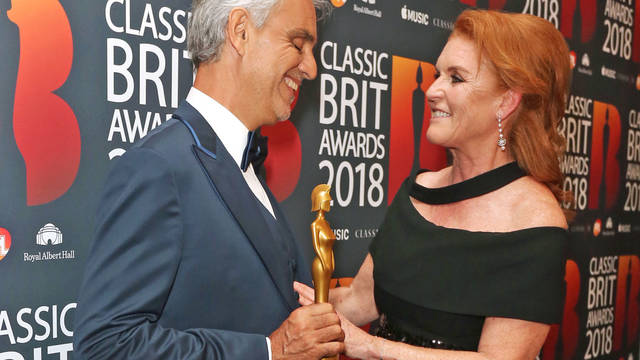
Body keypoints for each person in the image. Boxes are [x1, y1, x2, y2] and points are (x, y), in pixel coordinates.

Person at [73, 0, 345, 359]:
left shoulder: (243, 163)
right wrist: (269, 351)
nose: (311, 67)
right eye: (298, 44)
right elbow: (104, 347)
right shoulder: (159, 168)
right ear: (240, 32)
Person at [295, 9, 571, 359]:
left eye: (456, 78)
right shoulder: (418, 192)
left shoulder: (534, 223)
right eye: (437, 74)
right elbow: (358, 302)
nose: (432, 90)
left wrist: (370, 346)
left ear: (507, 101)